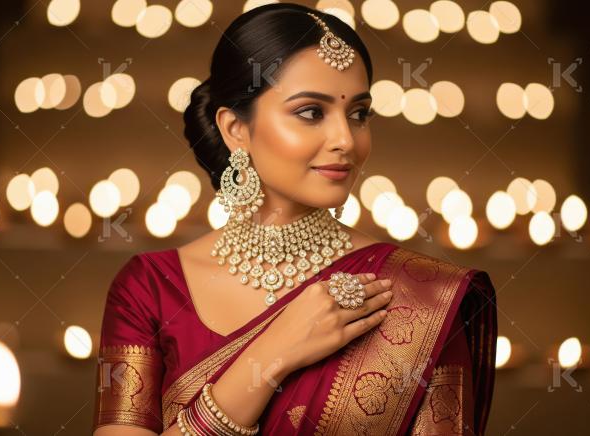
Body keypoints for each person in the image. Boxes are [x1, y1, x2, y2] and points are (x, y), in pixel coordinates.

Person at [92, 3, 497, 435]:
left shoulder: (423, 297)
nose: (346, 140)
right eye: (311, 112)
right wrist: (273, 352)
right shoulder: (149, 289)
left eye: (359, 113)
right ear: (235, 130)